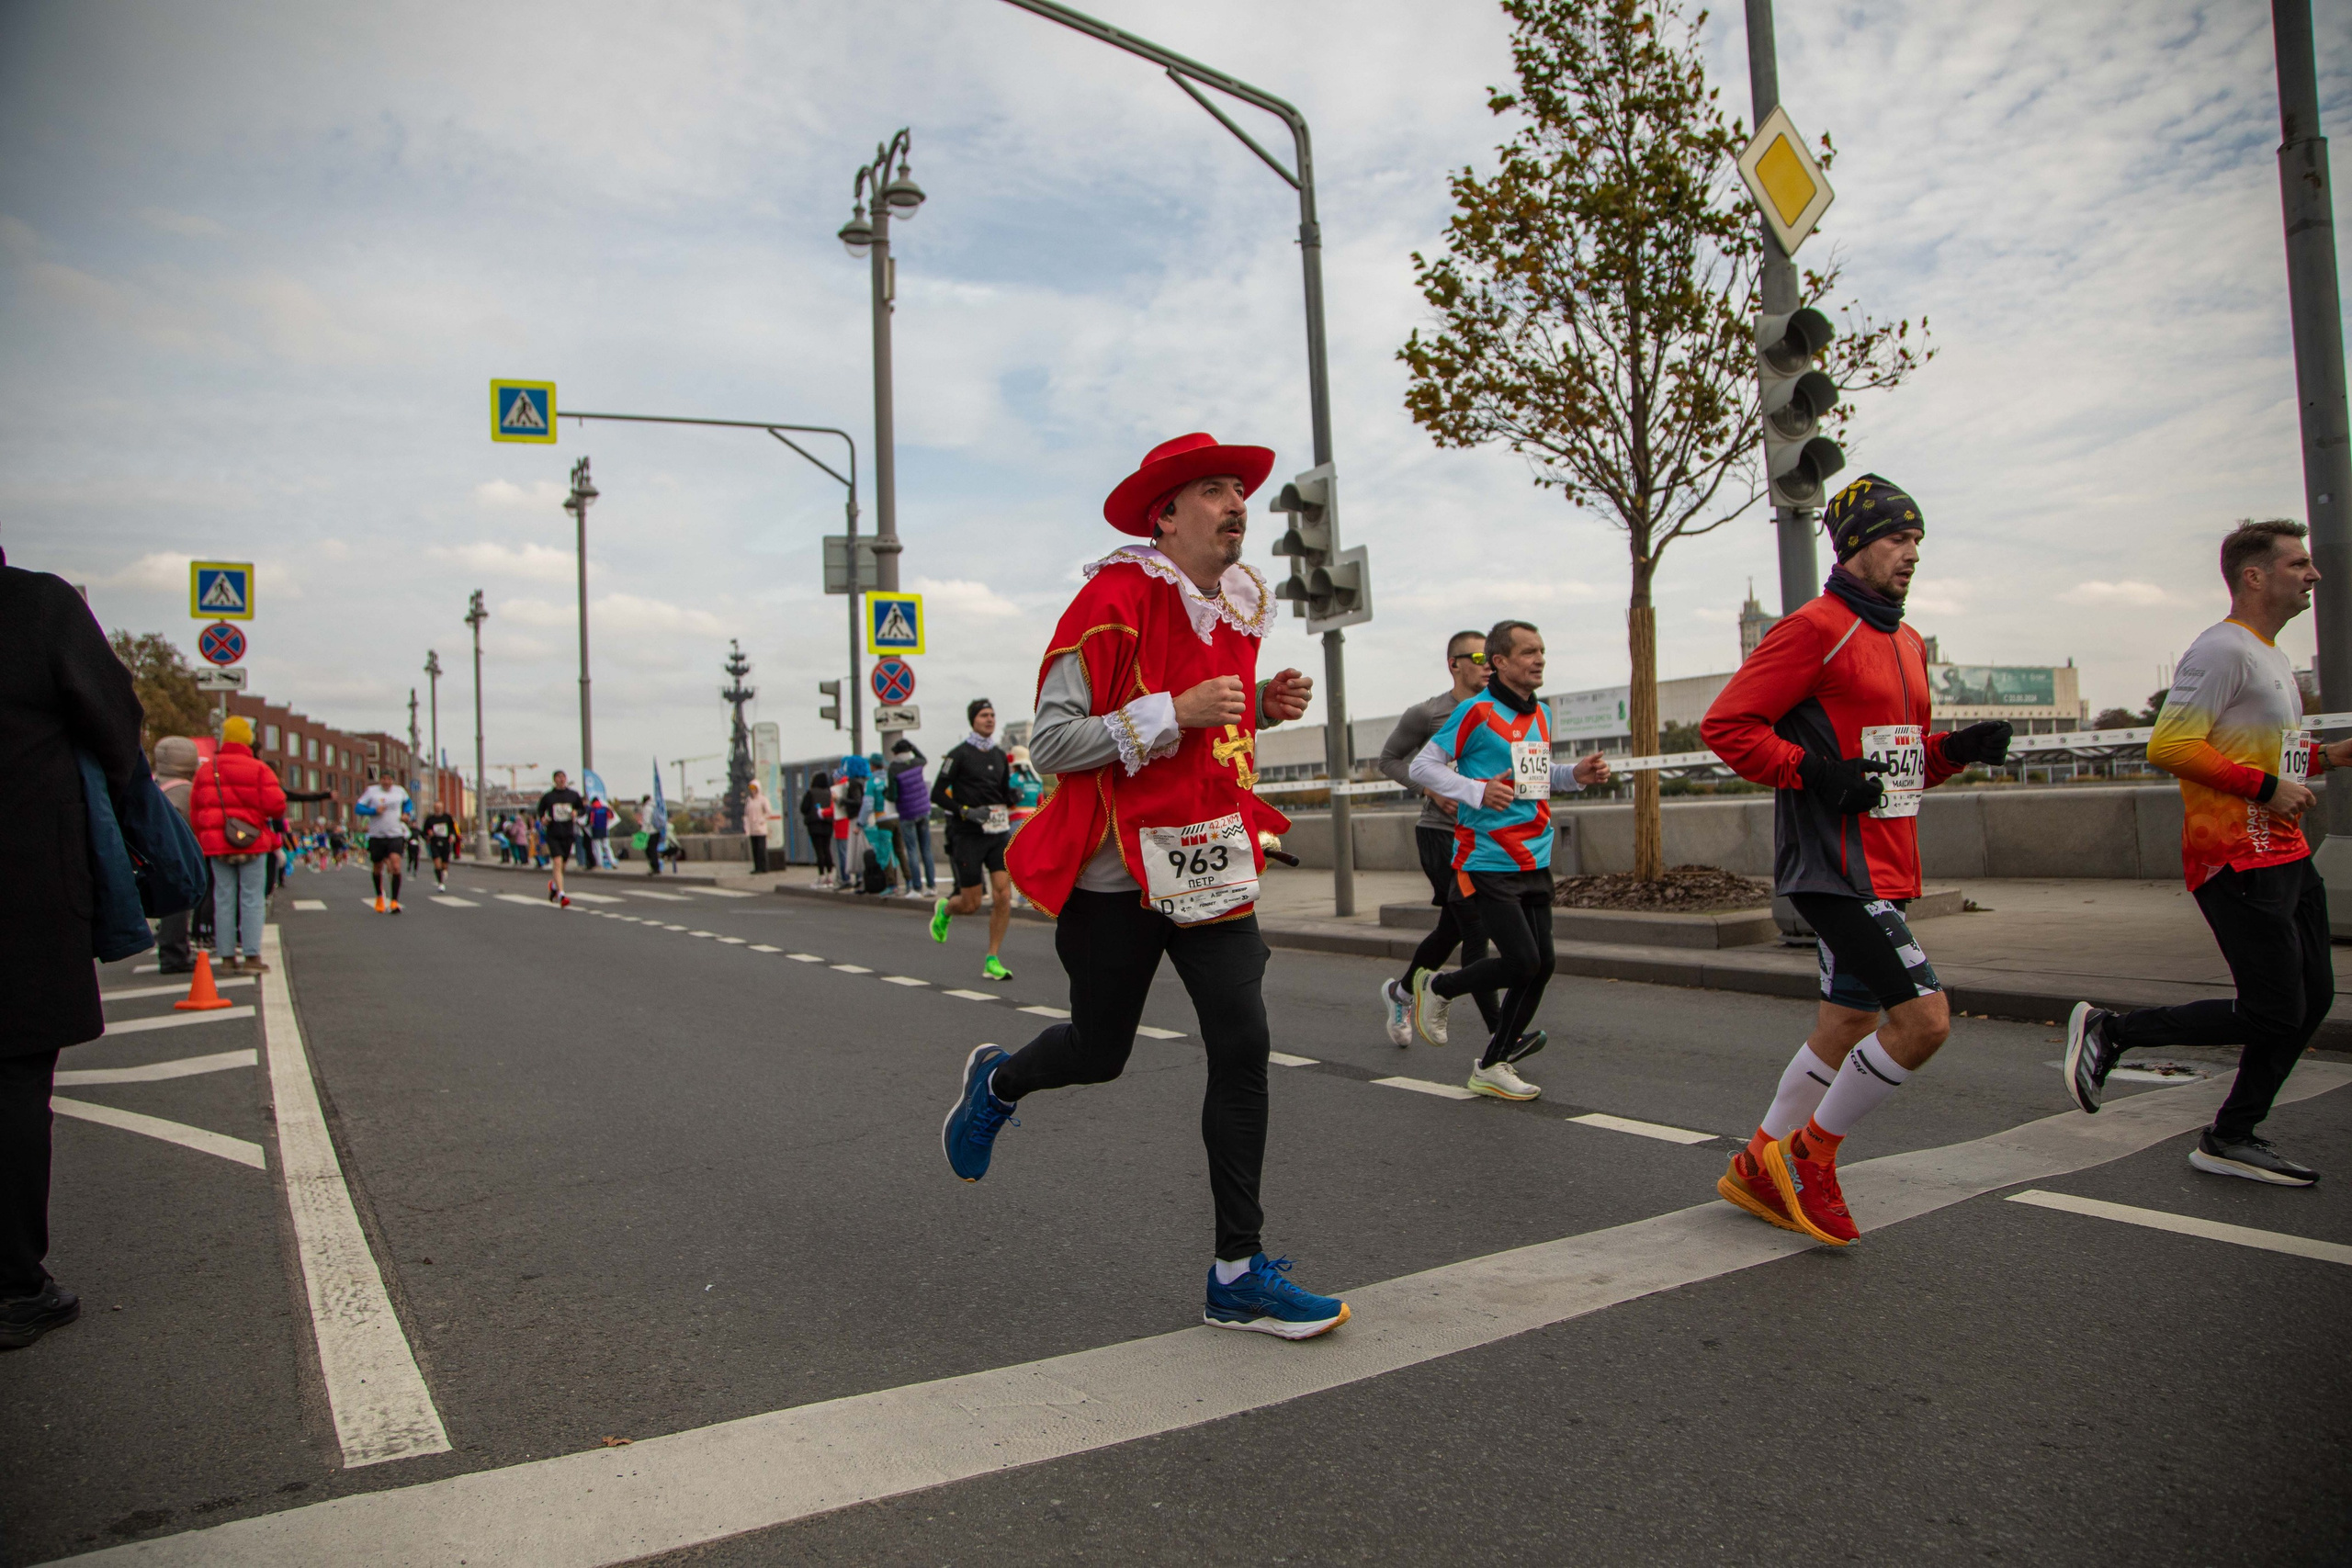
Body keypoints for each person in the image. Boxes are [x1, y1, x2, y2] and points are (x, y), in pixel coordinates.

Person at [942, 431, 1348, 1339]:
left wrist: (1261, 708)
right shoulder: (1112, 598)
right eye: (1212, 490)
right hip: (1114, 875)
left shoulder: (1240, 606)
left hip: (1211, 864)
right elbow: (1049, 744)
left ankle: (1236, 1271)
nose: (1235, 503)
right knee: (1101, 1050)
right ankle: (999, 1082)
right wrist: (1174, 711)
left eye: (1238, 490)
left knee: (1243, 1047)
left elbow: (1216, 736)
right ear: (1164, 515)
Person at [1699, 476, 2013, 1247]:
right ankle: (1811, 1158)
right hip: (1833, 866)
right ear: (1853, 545)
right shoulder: (1814, 627)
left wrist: (1954, 753)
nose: (1910, 554)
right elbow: (1727, 725)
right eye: (1896, 539)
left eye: (1917, 541)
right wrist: (1814, 771)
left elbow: (1892, 772)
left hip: (1886, 861)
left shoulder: (1904, 641)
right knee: (1925, 1021)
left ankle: (1758, 1160)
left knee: (1848, 1020)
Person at [2064, 519, 2348, 1185]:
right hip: (2235, 857)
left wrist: (2329, 756)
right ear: (2255, 575)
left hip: (2286, 854)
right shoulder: (2222, 650)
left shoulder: (2269, 654)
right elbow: (2170, 746)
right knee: (2274, 1008)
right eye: (2299, 564)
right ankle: (2115, 1032)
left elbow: (2260, 753)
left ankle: (2232, 1134)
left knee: (2313, 999)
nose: (2314, 575)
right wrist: (2266, 786)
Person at [1, 545, 149, 1348]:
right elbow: (113, 720)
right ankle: (14, 1284)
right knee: (14, 1072)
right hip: (20, 877)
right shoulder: (36, 607)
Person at [1404, 622, 1612, 1100]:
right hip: (1488, 857)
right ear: (1498, 661)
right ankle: (1439, 988)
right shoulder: (1476, 711)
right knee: (1521, 960)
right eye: (1527, 652)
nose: (1538, 659)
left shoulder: (1539, 712)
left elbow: (1534, 779)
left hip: (1534, 854)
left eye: (1542, 651)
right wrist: (1477, 791)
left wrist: (1574, 774)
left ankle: (1492, 1065)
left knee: (1543, 964)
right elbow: (1423, 767)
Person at [1375, 630, 1508, 1055]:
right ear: (1454, 664)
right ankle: (1501, 1035)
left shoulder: (1500, 711)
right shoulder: (1428, 713)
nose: (1489, 663)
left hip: (1485, 836)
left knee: (1453, 929)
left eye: (1492, 657)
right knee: (1474, 926)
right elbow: (1389, 759)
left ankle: (1401, 992)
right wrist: (1430, 790)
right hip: (1440, 835)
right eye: (1478, 656)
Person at [191, 716, 288, 972]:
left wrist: (205, 838)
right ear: (248, 740)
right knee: (252, 899)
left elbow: (197, 808)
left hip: (216, 844)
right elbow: (277, 806)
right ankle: (251, 956)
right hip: (252, 842)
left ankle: (225, 958)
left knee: (223, 898)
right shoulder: (259, 769)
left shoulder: (206, 769)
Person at [930, 699, 1019, 978]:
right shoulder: (957, 755)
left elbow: (1003, 791)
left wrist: (1011, 797)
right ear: (973, 720)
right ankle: (946, 908)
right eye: (984, 715)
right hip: (968, 834)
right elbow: (936, 794)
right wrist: (966, 811)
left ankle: (992, 958)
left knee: (1003, 894)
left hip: (998, 832)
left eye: (992, 715)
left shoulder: (999, 755)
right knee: (971, 904)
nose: (990, 719)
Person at [151, 736, 204, 975]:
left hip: (149, 853)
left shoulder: (152, 784)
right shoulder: (187, 791)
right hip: (175, 855)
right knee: (177, 905)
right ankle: (174, 954)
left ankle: (169, 948)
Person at [355, 773, 413, 913]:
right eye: (384, 779)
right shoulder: (372, 791)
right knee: (377, 867)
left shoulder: (399, 791)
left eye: (389, 779)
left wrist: (406, 813)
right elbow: (358, 808)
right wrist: (373, 811)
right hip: (377, 835)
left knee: (395, 865)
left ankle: (394, 901)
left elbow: (408, 803)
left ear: (393, 780)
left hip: (395, 834)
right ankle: (380, 897)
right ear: (380, 780)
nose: (386, 782)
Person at [888, 740, 937, 897]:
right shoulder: (917, 763)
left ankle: (916, 888)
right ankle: (931, 886)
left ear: (895, 753)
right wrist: (914, 747)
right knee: (926, 850)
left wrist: (884, 793)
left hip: (907, 812)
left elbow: (892, 795)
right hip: (923, 810)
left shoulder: (894, 768)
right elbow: (924, 758)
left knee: (912, 850)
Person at [537, 770, 586, 906]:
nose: (561, 779)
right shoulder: (548, 797)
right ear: (554, 780)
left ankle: (554, 886)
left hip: (568, 833)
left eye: (563, 777)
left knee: (563, 865)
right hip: (553, 833)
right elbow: (540, 810)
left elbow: (583, 809)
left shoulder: (573, 795)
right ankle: (562, 894)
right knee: (557, 862)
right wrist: (543, 819)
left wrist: (577, 812)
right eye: (558, 777)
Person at [831, 758, 866, 893]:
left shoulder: (853, 783)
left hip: (855, 818)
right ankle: (860, 879)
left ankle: (857, 880)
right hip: (865, 818)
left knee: (855, 850)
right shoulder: (864, 781)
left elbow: (856, 801)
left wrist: (840, 800)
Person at [802, 771, 835, 887]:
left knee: (819, 851)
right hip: (827, 824)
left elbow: (804, 808)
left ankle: (821, 876)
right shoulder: (830, 793)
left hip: (814, 825)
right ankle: (830, 876)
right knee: (827, 849)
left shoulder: (811, 793)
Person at [421, 802, 459, 888]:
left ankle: (445, 870)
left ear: (442, 808)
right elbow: (423, 832)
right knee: (437, 863)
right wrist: (428, 835)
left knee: (444, 864)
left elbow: (453, 829)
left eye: (439, 807)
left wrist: (452, 836)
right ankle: (440, 883)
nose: (438, 809)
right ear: (434, 808)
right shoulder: (430, 819)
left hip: (445, 842)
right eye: (436, 807)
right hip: (434, 842)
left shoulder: (447, 817)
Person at [744, 779, 773, 874]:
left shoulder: (763, 799)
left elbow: (768, 812)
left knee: (761, 849)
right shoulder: (748, 800)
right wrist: (747, 828)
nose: (752, 790)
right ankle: (757, 867)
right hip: (752, 829)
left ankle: (764, 867)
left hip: (760, 828)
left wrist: (761, 820)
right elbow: (746, 815)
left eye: (754, 788)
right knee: (755, 849)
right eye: (750, 788)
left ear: (757, 789)